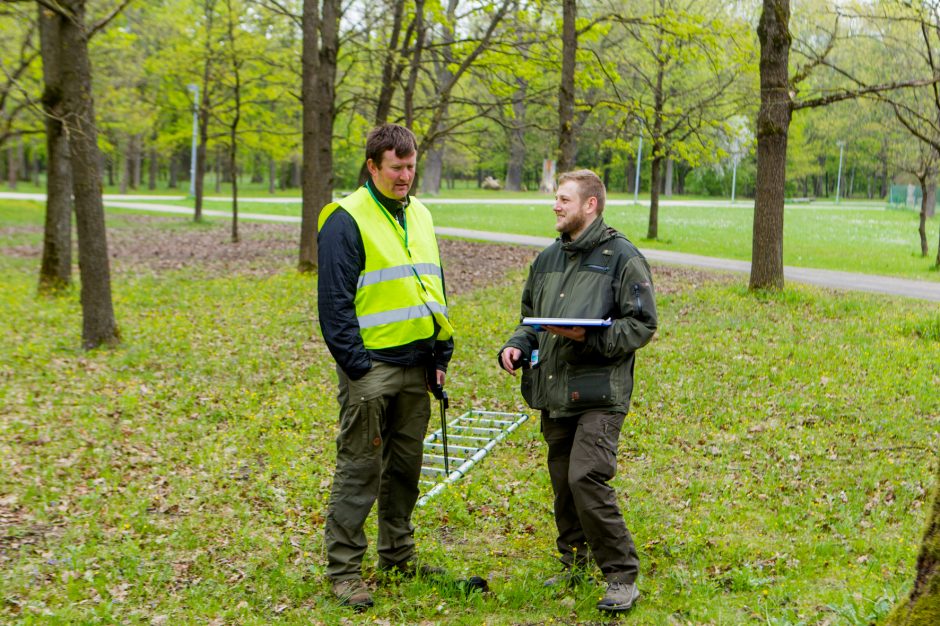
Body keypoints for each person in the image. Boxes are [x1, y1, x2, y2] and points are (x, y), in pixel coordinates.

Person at [498, 169, 657, 613]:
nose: (556, 205)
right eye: (556, 197)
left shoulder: (622, 257)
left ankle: (622, 574)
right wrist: (515, 346)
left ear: (591, 205)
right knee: (563, 483)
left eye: (564, 199)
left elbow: (642, 323)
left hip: (600, 392)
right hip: (555, 389)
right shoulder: (548, 259)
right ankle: (574, 561)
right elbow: (530, 318)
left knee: (586, 477)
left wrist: (590, 338)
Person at [317, 124, 454, 610]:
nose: (405, 176)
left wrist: (440, 354)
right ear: (372, 166)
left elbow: (431, 285)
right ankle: (344, 571)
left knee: (404, 469)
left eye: (411, 165)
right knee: (360, 469)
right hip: (370, 369)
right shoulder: (345, 219)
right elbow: (334, 306)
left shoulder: (420, 214)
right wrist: (358, 370)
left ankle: (398, 554)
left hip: (418, 365)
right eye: (396, 167)